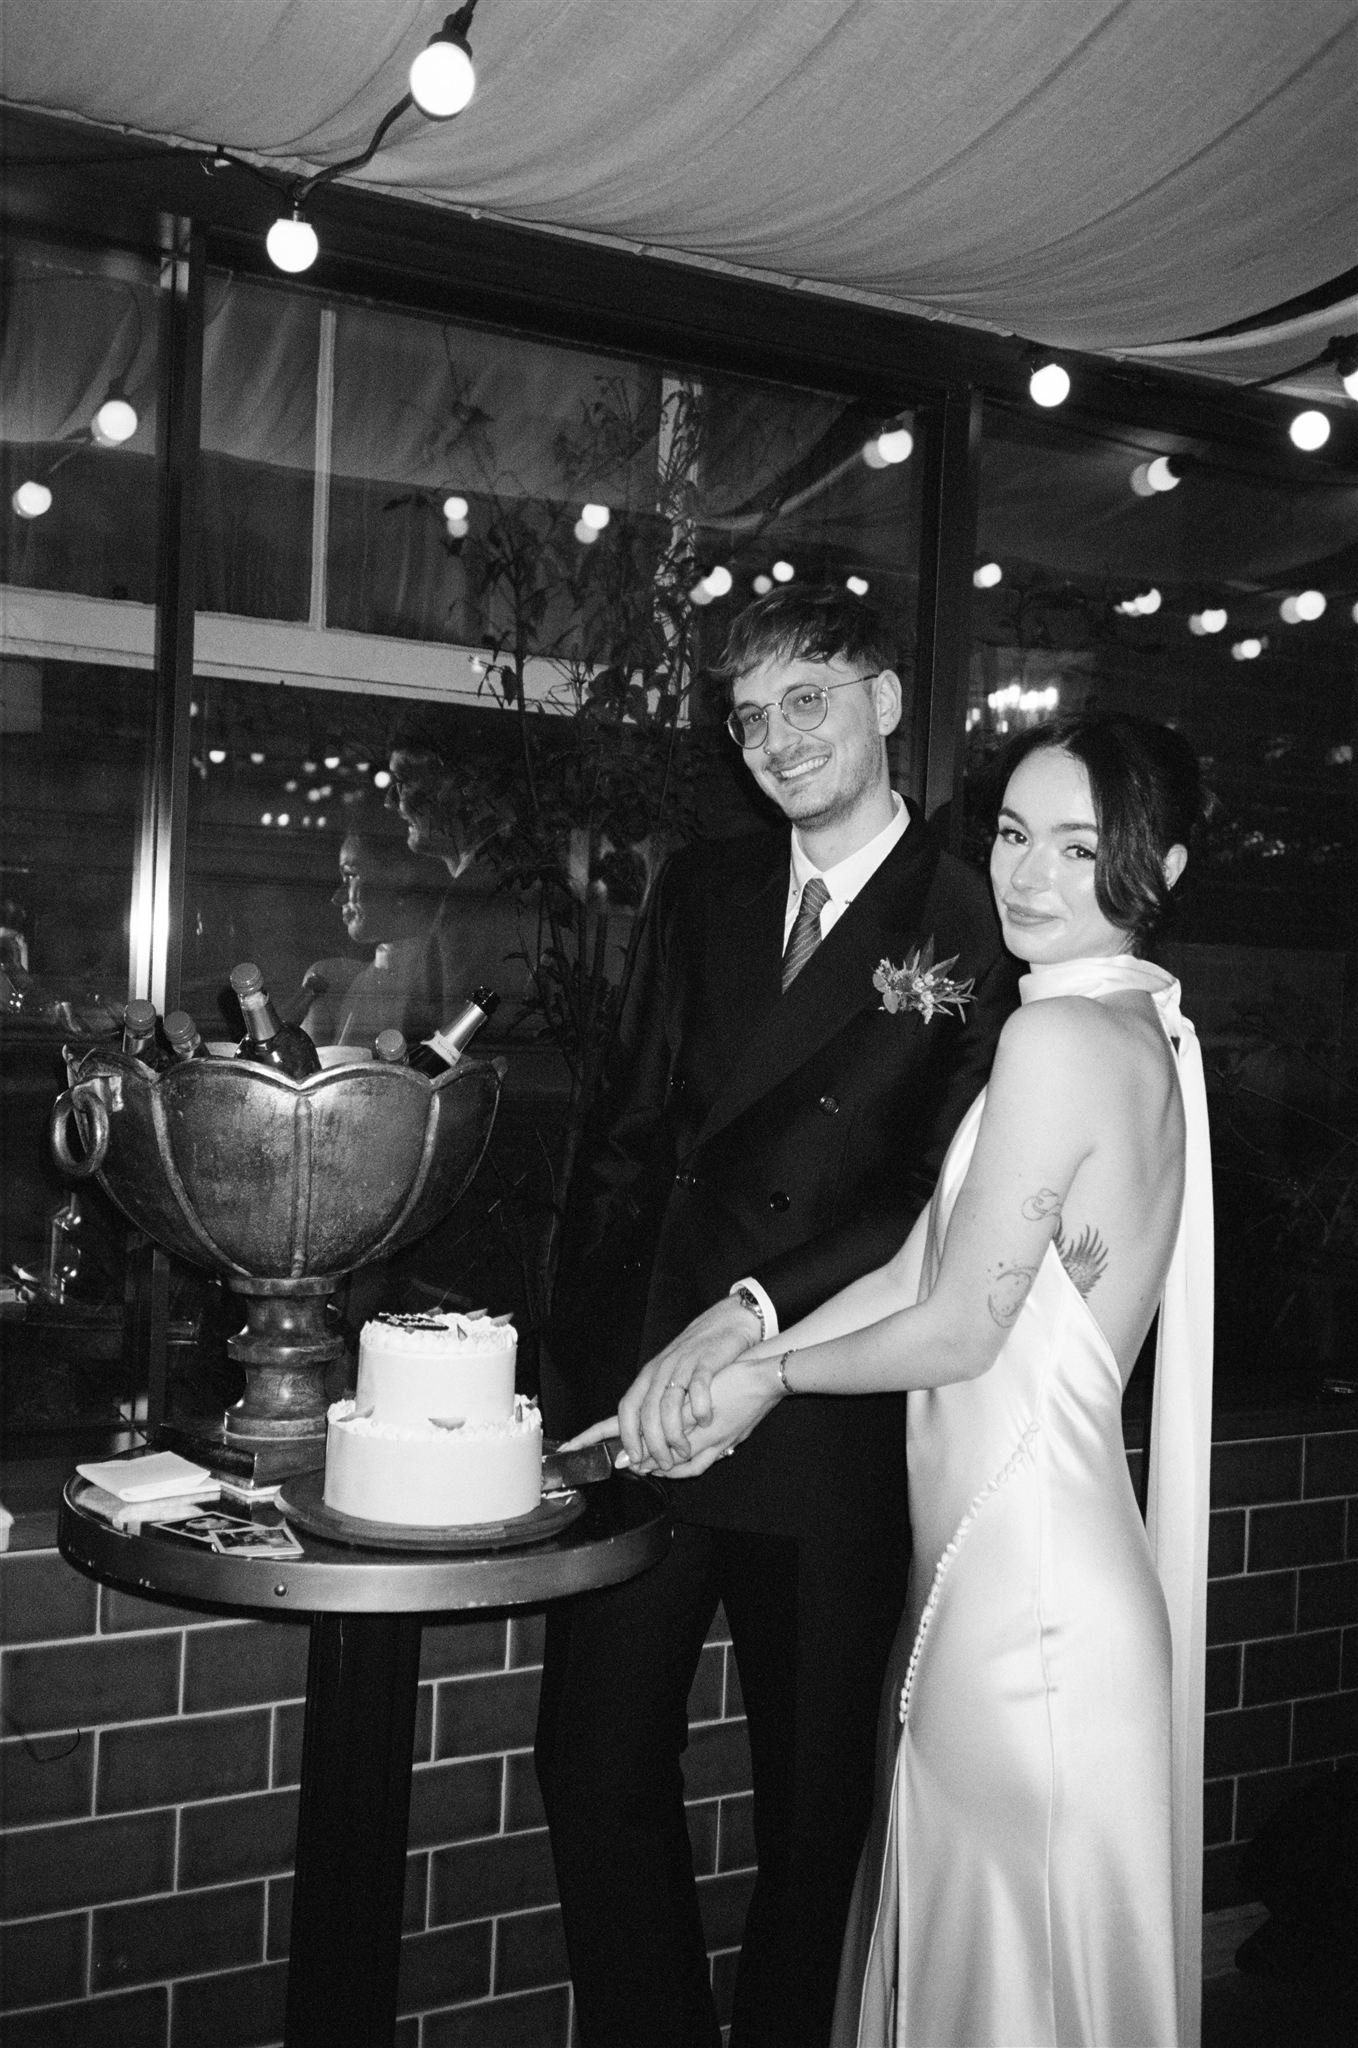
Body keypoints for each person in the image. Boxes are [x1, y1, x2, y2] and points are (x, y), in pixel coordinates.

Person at [585, 712, 1214, 2048]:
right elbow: (931, 1266)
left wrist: (775, 1382)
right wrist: (740, 1360)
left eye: (1076, 848)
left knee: (988, 1975)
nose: (1023, 879)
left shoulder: (1053, 1045)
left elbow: (954, 1333)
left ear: (1152, 874)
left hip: (1023, 1593)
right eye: (1006, 837)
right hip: (1024, 1570)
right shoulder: (1135, 1032)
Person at [535, 586, 1018, 2048]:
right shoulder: (701, 888)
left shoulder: (977, 907)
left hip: (826, 1411)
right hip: (653, 1410)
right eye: (746, 718)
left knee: (815, 1817)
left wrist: (758, 1319)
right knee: (591, 1765)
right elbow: (623, 1138)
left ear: (883, 702)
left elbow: (947, 1188)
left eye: (804, 700)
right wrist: (581, 1371)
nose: (771, 741)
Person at [301, 826, 449, 1046]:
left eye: (351, 875)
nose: (338, 898)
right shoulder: (349, 981)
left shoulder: (441, 978)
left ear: (400, 877)